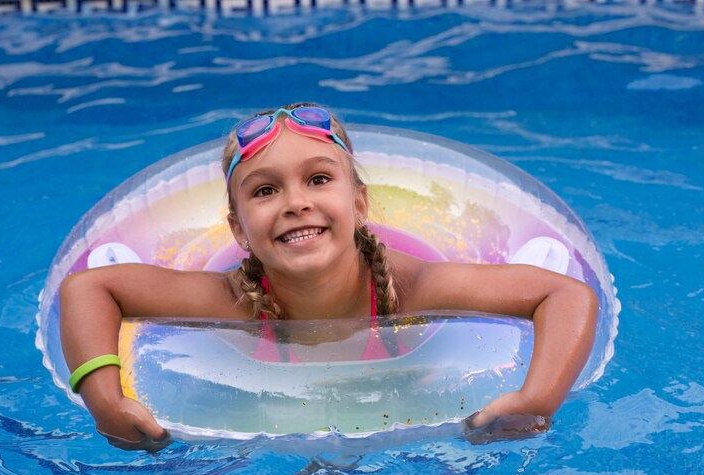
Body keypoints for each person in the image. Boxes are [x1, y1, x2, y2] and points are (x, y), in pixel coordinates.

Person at [59, 103, 598, 451]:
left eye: (318, 179)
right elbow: (87, 287)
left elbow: (565, 293)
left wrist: (537, 400)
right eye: (265, 191)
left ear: (359, 203)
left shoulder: (413, 288)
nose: (296, 204)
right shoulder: (232, 299)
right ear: (239, 231)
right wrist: (106, 402)